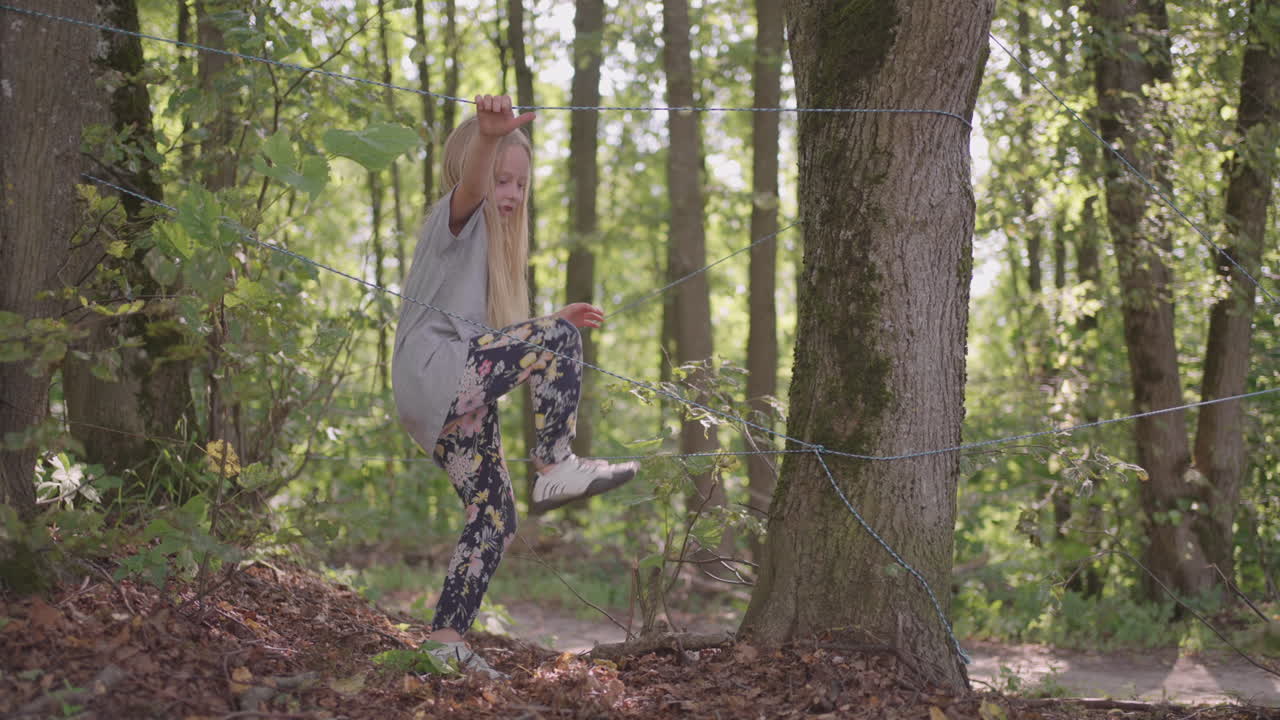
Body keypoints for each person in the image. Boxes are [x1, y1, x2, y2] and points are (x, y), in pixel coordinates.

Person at [391, 94, 638, 678]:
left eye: (520, 187)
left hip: (447, 387)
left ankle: (446, 641)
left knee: (495, 512)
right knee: (556, 338)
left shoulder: (494, 255)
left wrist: (544, 327)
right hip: (435, 369)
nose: (509, 194)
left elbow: (502, 348)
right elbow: (473, 185)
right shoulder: (459, 217)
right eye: (503, 180)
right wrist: (487, 136)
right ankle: (555, 467)